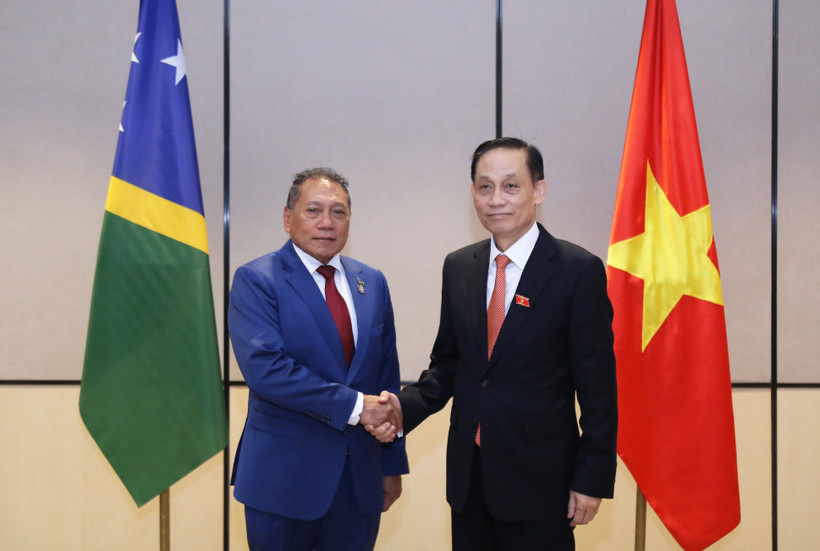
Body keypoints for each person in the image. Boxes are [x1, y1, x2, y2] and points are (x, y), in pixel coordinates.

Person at [371, 138, 617, 550]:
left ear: (538, 190)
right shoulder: (458, 267)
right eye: (485, 187)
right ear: (472, 194)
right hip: (470, 479)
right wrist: (400, 408)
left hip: (542, 483)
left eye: (511, 186)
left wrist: (591, 479)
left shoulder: (577, 271)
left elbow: (599, 391)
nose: (496, 199)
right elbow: (448, 365)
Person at [229, 167, 408, 551]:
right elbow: (267, 372)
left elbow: (386, 378)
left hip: (359, 480)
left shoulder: (371, 281)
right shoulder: (257, 279)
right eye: (313, 210)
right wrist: (358, 407)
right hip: (283, 483)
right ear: (287, 217)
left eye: (338, 212)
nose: (326, 223)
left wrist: (391, 463)